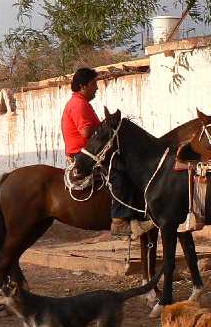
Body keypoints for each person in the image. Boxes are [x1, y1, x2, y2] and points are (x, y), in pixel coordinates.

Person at [61, 67, 153, 238]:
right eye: (94, 83)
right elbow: (87, 133)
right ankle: (119, 222)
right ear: (83, 86)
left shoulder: (80, 103)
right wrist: (108, 127)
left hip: (91, 152)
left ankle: (133, 216)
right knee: (119, 174)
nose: (96, 87)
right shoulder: (79, 105)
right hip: (86, 156)